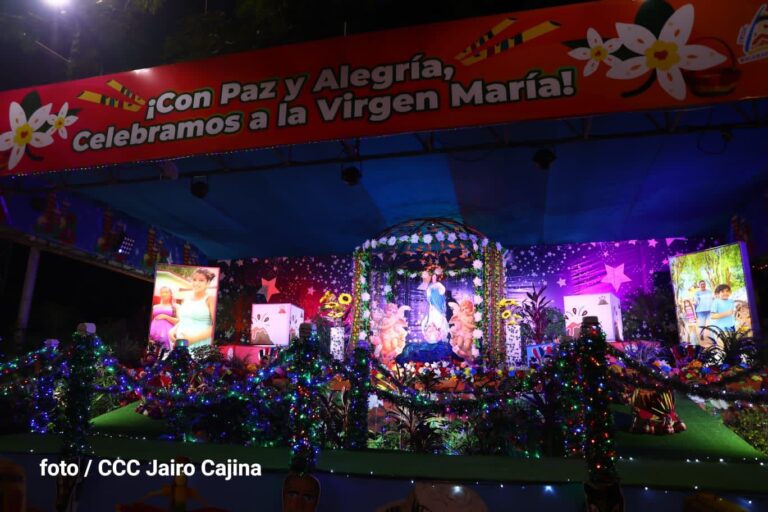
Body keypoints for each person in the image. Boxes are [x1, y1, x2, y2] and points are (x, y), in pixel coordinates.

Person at [169, 268, 216, 348]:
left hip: (199, 344)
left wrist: (193, 339)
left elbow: (215, 326)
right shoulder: (186, 298)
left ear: (207, 283)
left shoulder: (210, 299)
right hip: (181, 342)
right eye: (194, 280)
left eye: (201, 280)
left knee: (195, 360)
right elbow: (183, 320)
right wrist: (173, 330)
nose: (196, 283)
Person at [419, 267, 450, 343]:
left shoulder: (427, 323)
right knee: (435, 295)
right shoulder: (440, 324)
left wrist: (425, 328)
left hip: (434, 306)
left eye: (430, 331)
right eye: (432, 330)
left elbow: (425, 321)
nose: (431, 328)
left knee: (434, 295)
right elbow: (445, 325)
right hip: (437, 307)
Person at [149, 286, 178, 351]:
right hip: (153, 334)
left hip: (167, 335)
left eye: (166, 292)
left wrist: (165, 316)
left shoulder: (175, 307)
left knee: (163, 353)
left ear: (171, 294)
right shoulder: (155, 307)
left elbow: (179, 322)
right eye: (162, 292)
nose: (163, 294)